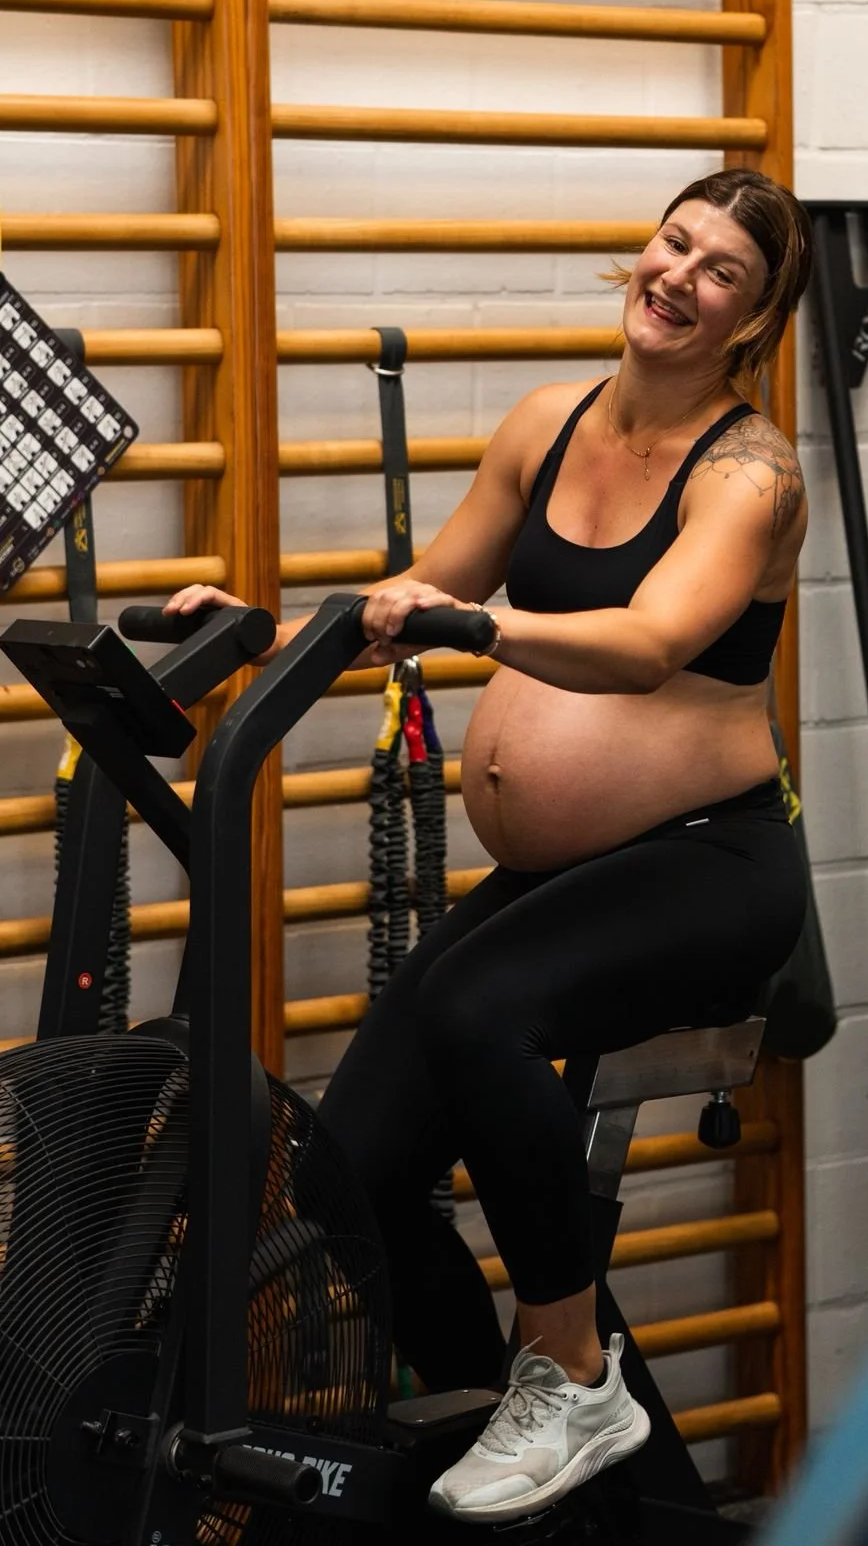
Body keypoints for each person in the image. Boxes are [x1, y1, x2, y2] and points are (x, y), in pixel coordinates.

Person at [166, 166, 811, 1526]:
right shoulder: (544, 423)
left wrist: (482, 632)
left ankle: (568, 1370)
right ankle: (589, 1476)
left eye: (720, 276)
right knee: (352, 1175)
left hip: (711, 864)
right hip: (562, 874)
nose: (679, 278)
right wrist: (257, 634)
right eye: (673, 244)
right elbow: (417, 600)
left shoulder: (750, 473)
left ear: (749, 325)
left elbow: (641, 648)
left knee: (474, 1008)